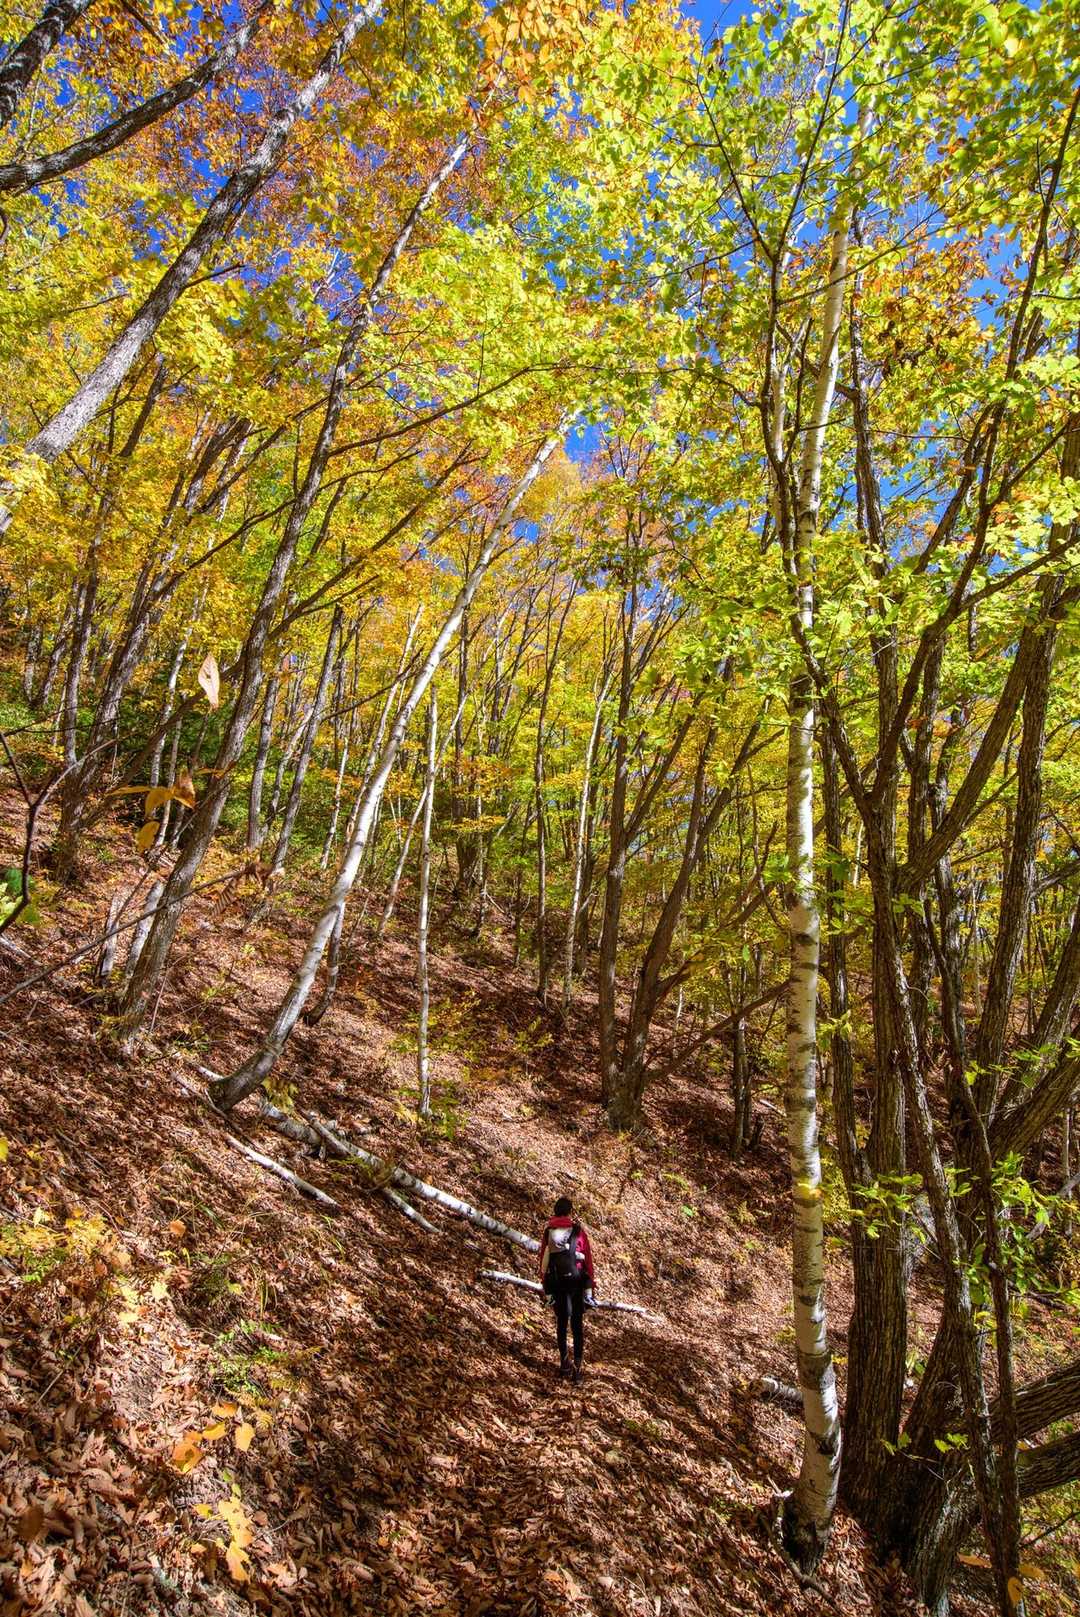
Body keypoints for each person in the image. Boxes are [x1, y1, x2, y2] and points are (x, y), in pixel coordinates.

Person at [539, 1196, 596, 1383]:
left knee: (562, 1323)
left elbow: (543, 1261)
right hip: (576, 1282)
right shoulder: (578, 1231)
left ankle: (564, 1362)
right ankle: (578, 1370)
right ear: (570, 1212)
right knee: (577, 1326)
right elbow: (588, 1260)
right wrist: (590, 1284)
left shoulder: (549, 1232)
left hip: (557, 1283)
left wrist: (545, 1284)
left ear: (555, 1212)